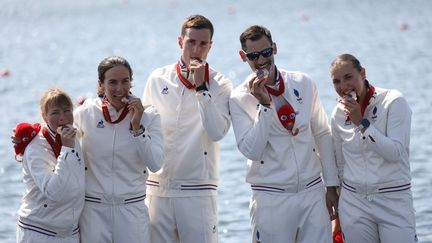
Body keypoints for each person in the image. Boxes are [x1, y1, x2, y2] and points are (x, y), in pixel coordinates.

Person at [229, 25, 339, 243]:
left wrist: (332, 185)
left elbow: (322, 133)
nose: (261, 60)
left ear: (275, 49)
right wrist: (264, 106)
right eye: (253, 56)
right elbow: (251, 150)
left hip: (312, 192)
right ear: (243, 57)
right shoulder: (239, 97)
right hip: (271, 197)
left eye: (266, 52)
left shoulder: (303, 82)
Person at [142, 15, 232, 243]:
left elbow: (217, 132)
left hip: (198, 190)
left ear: (210, 47)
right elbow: (145, 132)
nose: (196, 49)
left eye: (203, 44)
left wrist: (202, 89)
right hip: (157, 188)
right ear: (180, 42)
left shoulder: (220, 84)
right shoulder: (157, 78)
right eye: (191, 42)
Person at [75, 55, 164, 242]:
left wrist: (137, 127)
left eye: (125, 81)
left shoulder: (149, 115)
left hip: (132, 210)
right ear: (101, 85)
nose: (119, 89)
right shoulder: (86, 112)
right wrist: (27, 140)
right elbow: (57, 132)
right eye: (112, 82)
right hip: (94, 211)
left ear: (132, 83)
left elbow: (156, 164)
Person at [330, 53, 417, 243]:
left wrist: (361, 123)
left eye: (348, 77)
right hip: (354, 204)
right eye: (336, 81)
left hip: (393, 199)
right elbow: (340, 165)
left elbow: (394, 153)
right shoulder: (337, 113)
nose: (343, 86)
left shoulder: (394, 101)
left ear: (362, 73)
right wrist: (338, 216)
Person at [15, 88, 84, 243]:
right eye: (55, 113)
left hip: (69, 232)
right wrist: (66, 149)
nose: (62, 118)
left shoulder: (72, 137)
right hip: (39, 231)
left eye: (67, 110)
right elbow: (54, 193)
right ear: (44, 116)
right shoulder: (35, 148)